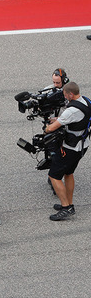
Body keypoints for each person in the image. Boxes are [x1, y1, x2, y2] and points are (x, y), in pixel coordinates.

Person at [46, 81, 91, 220]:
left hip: (70, 149)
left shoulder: (71, 111)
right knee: (69, 173)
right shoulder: (87, 101)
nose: (65, 98)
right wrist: (59, 119)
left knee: (54, 175)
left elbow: (50, 129)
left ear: (71, 94)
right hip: (83, 145)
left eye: (66, 95)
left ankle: (66, 208)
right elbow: (77, 119)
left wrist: (48, 126)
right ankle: (69, 202)